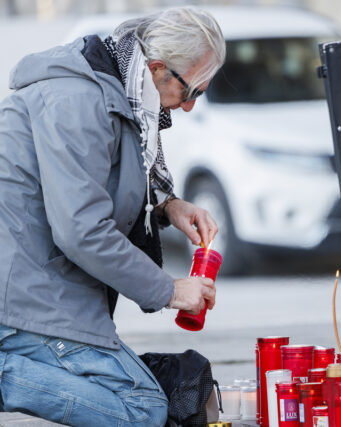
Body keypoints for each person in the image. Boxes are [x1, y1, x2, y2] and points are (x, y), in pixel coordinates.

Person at [0, 6, 226, 426]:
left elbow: (98, 183)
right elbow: (81, 230)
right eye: (191, 91)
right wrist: (170, 290)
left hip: (47, 289)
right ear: (157, 69)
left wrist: (167, 206)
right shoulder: (78, 101)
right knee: (144, 410)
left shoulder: (115, 91)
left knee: (152, 401)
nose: (190, 107)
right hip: (24, 303)